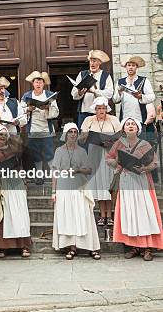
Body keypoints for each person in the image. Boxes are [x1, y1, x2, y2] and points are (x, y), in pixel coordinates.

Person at [106, 117, 163, 261]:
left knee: (144, 212)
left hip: (141, 181)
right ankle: (134, 246)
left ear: (137, 128)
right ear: (123, 128)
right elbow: (109, 159)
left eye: (133, 124)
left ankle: (148, 247)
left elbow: (154, 162)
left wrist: (145, 168)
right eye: (127, 124)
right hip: (126, 181)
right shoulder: (118, 144)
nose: (130, 126)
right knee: (130, 213)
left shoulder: (145, 144)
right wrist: (118, 162)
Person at [51, 123, 100, 260]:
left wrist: (78, 170)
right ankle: (71, 247)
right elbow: (55, 172)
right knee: (68, 216)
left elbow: (89, 170)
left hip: (79, 186)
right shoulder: (59, 151)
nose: (73, 134)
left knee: (84, 214)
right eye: (70, 132)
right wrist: (53, 192)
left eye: (75, 132)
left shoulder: (82, 151)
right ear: (65, 134)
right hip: (64, 186)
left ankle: (91, 247)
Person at [0, 125, 32, 259]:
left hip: (14, 184)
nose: (3, 137)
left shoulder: (13, 149)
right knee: (1, 215)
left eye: (5, 135)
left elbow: (20, 165)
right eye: (0, 134)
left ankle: (23, 245)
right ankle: (2, 246)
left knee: (19, 215)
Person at [79, 97, 121, 228]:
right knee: (99, 184)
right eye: (98, 108)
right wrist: (86, 135)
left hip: (110, 153)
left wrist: (112, 141)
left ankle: (110, 214)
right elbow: (81, 140)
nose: (101, 111)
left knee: (109, 183)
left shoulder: (113, 120)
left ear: (107, 109)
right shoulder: (88, 120)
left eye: (103, 108)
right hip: (95, 154)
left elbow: (120, 136)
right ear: (95, 109)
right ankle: (102, 215)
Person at [21, 71, 59, 185]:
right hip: (33, 130)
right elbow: (20, 111)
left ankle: (55, 177)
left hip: (46, 130)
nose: (38, 84)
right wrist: (28, 109)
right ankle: (39, 176)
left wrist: (47, 108)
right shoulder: (27, 96)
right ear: (33, 83)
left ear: (44, 83)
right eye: (36, 81)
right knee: (35, 154)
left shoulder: (49, 95)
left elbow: (56, 112)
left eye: (40, 81)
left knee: (49, 154)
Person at [72, 50, 113, 129]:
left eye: (94, 61)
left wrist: (94, 91)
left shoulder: (106, 76)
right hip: (84, 112)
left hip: (100, 113)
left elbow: (109, 94)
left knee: (100, 137)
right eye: (90, 61)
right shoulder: (82, 74)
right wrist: (80, 93)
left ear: (100, 62)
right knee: (84, 137)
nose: (92, 63)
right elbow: (74, 94)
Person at [113, 56, 156, 129]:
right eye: (129, 65)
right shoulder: (120, 82)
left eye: (133, 65)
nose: (131, 67)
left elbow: (152, 97)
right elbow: (115, 100)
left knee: (141, 139)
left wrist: (141, 97)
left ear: (136, 67)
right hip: (125, 118)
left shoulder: (144, 80)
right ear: (126, 67)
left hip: (140, 117)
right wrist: (119, 92)